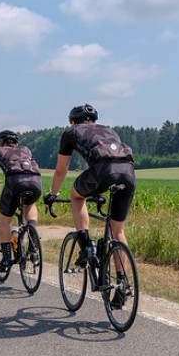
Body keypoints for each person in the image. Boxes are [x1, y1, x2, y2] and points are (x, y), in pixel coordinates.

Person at [43, 104, 136, 304]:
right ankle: (122, 283)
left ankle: (86, 246)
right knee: (117, 231)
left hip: (103, 173)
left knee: (77, 196)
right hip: (128, 173)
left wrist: (53, 193)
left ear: (73, 121)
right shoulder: (109, 130)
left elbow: (61, 170)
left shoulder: (71, 131)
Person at [0, 130, 42, 272]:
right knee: (30, 204)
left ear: (1, 142)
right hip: (36, 182)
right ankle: (32, 232)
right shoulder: (26, 149)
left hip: (15, 182)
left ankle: (6, 259)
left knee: (4, 221)